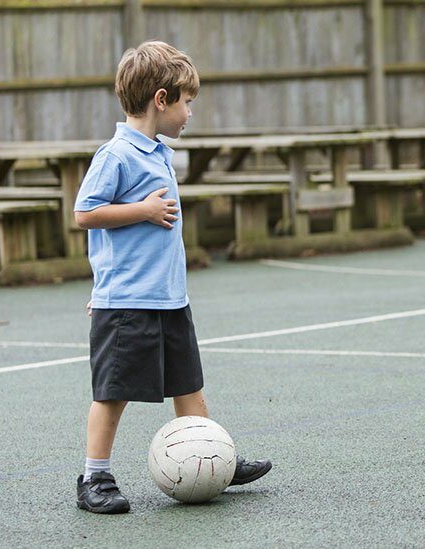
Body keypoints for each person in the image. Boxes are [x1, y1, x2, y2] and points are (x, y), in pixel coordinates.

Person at [73, 40, 271, 514]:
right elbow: (85, 213)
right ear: (161, 100)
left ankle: (212, 455)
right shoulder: (116, 154)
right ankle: (93, 477)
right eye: (187, 103)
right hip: (127, 302)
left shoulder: (159, 151)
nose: (189, 113)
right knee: (113, 392)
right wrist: (141, 211)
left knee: (188, 384)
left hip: (169, 299)